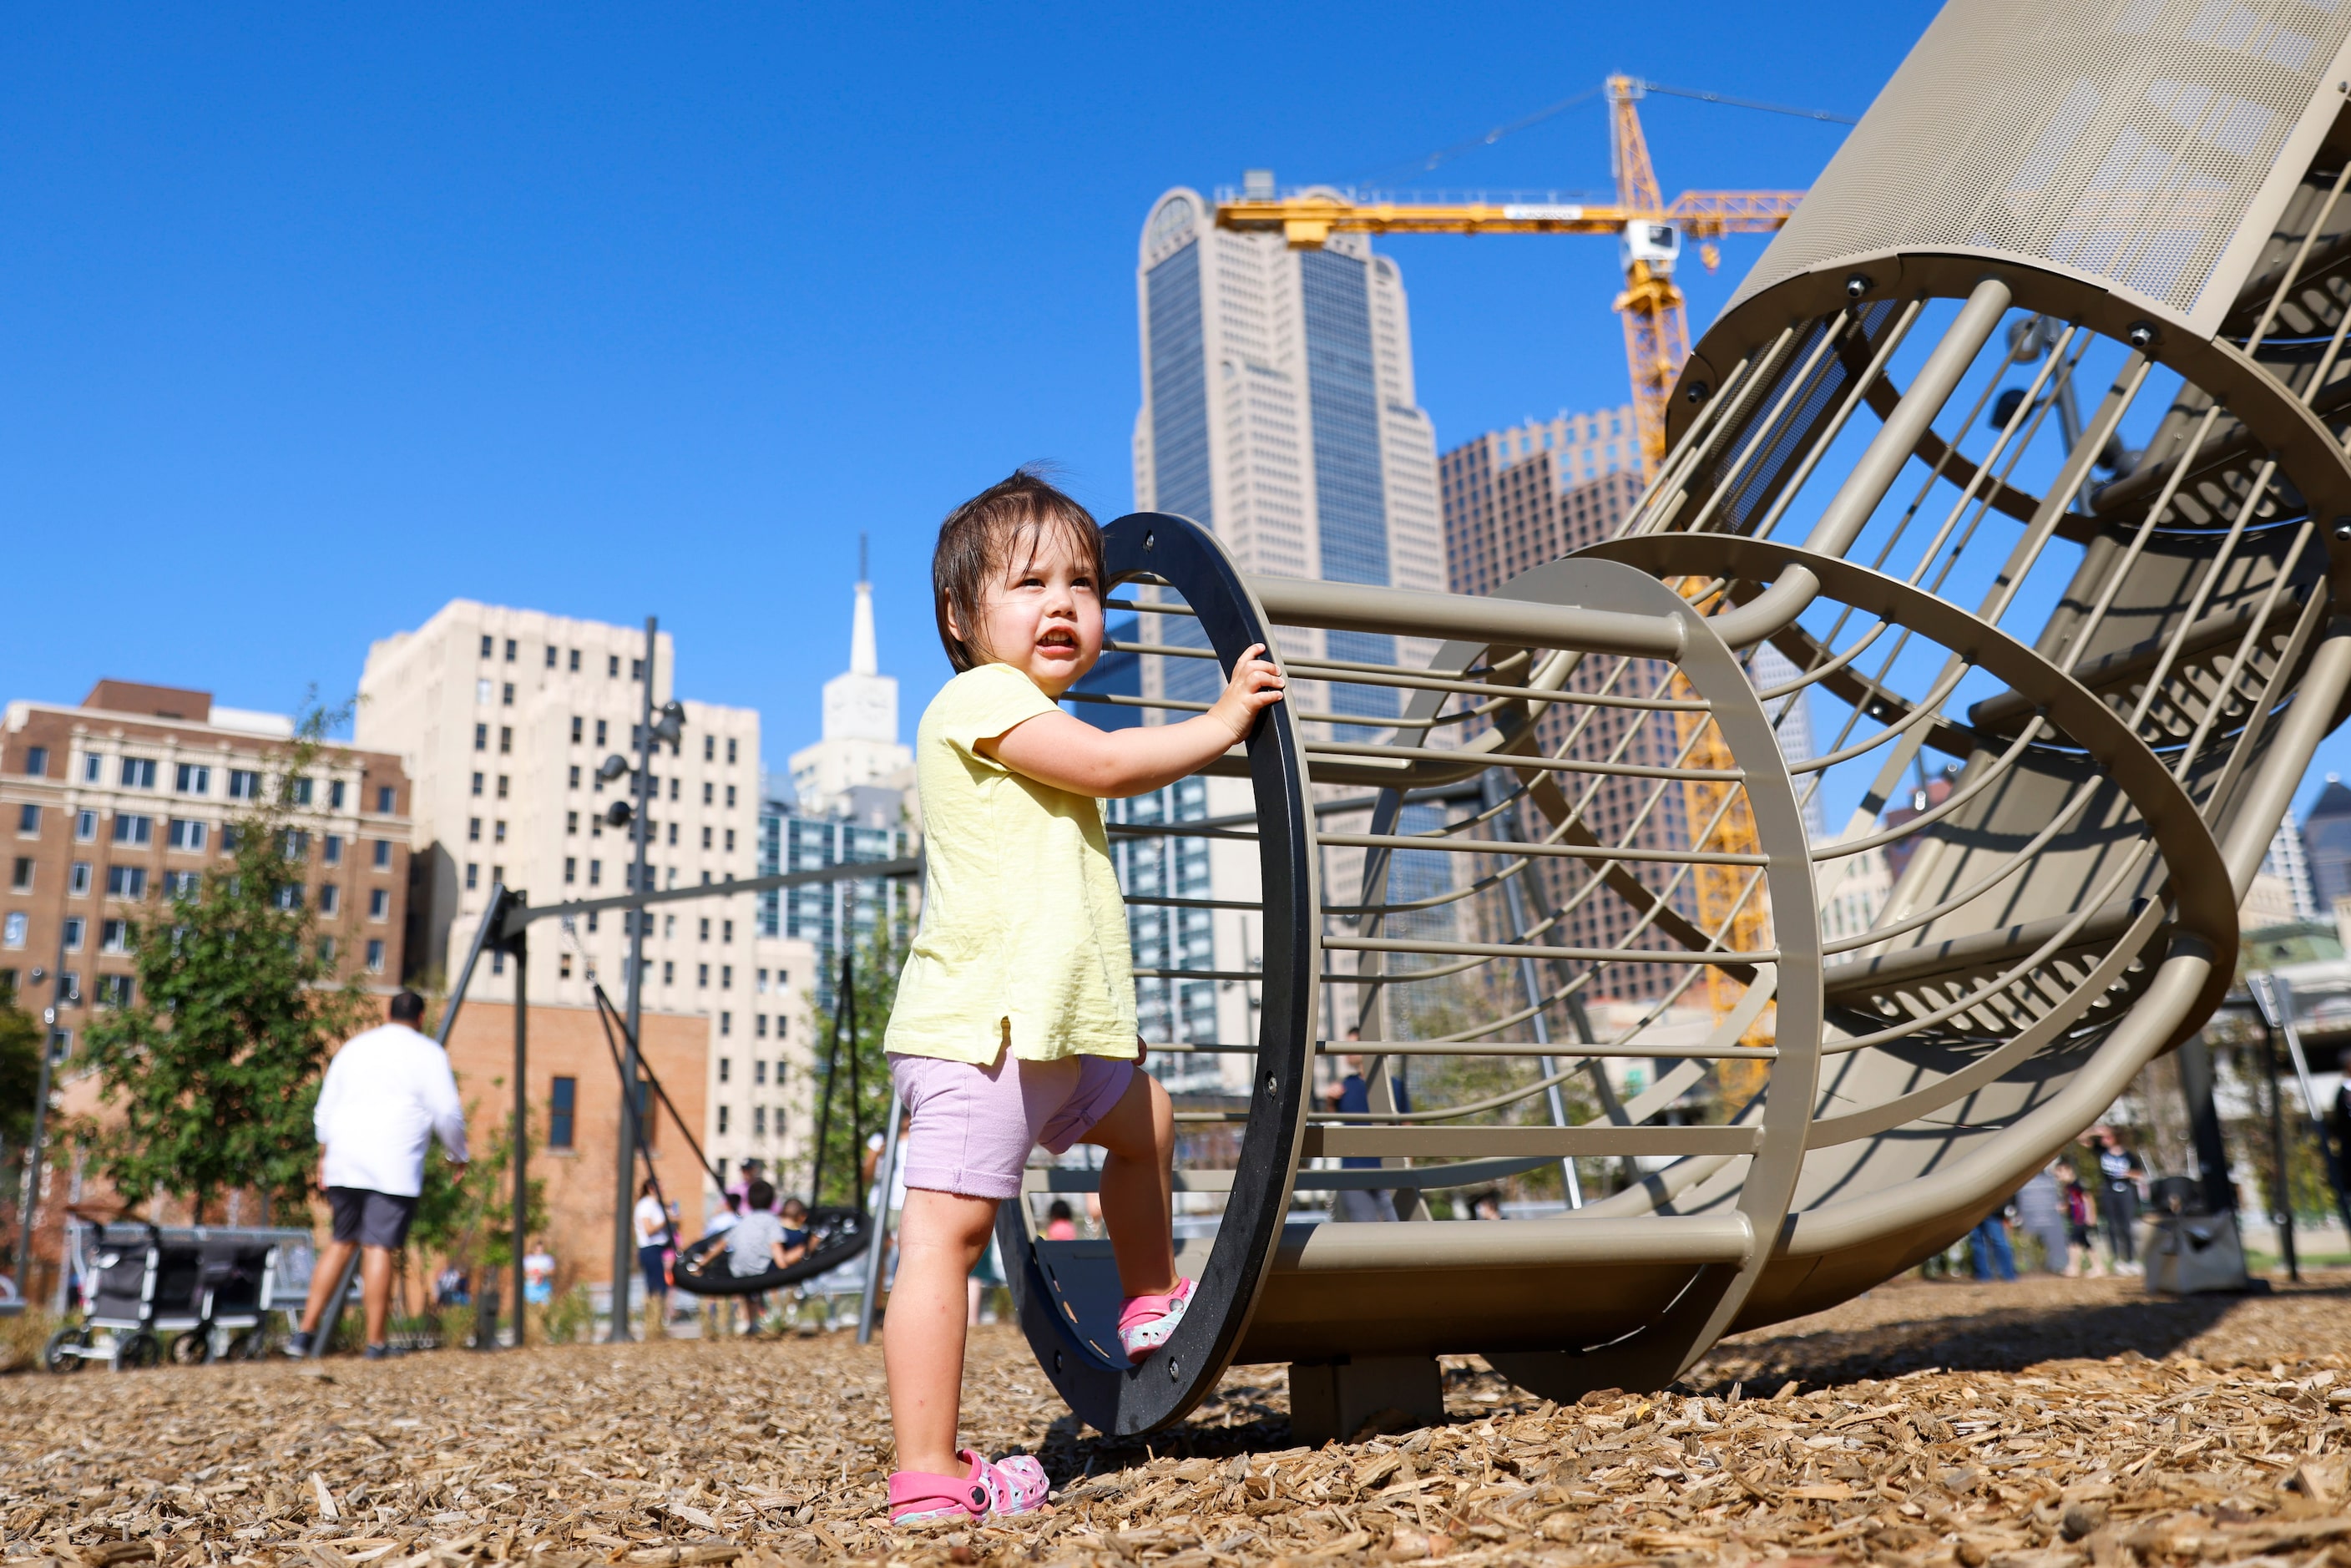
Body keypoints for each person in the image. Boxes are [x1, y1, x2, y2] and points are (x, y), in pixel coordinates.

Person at [878, 470, 1285, 1527]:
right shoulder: (982, 699)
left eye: (1083, 583)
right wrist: (1225, 717)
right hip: (984, 1037)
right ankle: (924, 1472)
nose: (1062, 603)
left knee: (1145, 1122)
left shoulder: (1026, 709)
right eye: (1027, 584)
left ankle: (1149, 1304)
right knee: (946, 1237)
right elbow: (1106, 764)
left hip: (1055, 1039)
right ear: (960, 623)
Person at [286, 989, 468, 1360]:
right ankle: (376, 1342)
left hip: (344, 1159)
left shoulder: (355, 1047)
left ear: (388, 1013)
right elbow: (447, 1111)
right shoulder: (428, 1053)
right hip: (393, 1163)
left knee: (340, 1241)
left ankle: (303, 1334)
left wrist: (324, 1155)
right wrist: (457, 1154)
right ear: (420, 1018)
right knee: (378, 1246)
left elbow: (325, 1106)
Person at [2091, 1126, 2146, 1273]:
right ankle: (2117, 1260)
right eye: (2104, 1138)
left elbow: (2139, 1174)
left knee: (2127, 1227)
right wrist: (2098, 1131)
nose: (2104, 1140)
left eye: (2108, 1137)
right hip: (2108, 1192)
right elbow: (2082, 1138)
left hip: (2125, 1192)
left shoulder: (2129, 1155)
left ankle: (2131, 1260)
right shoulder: (2101, 1152)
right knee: (2112, 1226)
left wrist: (2127, 1173)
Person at [633, 1177, 673, 1338]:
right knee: (656, 1288)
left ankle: (657, 1321)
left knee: (659, 1286)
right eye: (660, 1186)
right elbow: (648, 1230)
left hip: (658, 1249)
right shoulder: (646, 1205)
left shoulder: (654, 1205)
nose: (663, 1189)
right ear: (651, 1188)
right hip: (650, 1249)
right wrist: (665, 1221)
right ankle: (653, 1322)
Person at [2055, 1157, 2104, 1277]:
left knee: (2074, 1242)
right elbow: (2071, 1202)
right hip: (2075, 1218)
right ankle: (2098, 1267)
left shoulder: (2077, 1184)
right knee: (2085, 1243)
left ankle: (2074, 1267)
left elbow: (2088, 1198)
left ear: (2068, 1170)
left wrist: (2091, 1215)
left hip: (2081, 1218)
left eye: (2059, 1174)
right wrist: (2064, 1207)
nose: (2058, 1177)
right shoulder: (2068, 1187)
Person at [1969, 1200, 2018, 1282]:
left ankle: (2008, 1276)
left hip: (1992, 1211)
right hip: (1976, 1211)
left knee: (1998, 1242)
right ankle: (1983, 1276)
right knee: (1977, 1242)